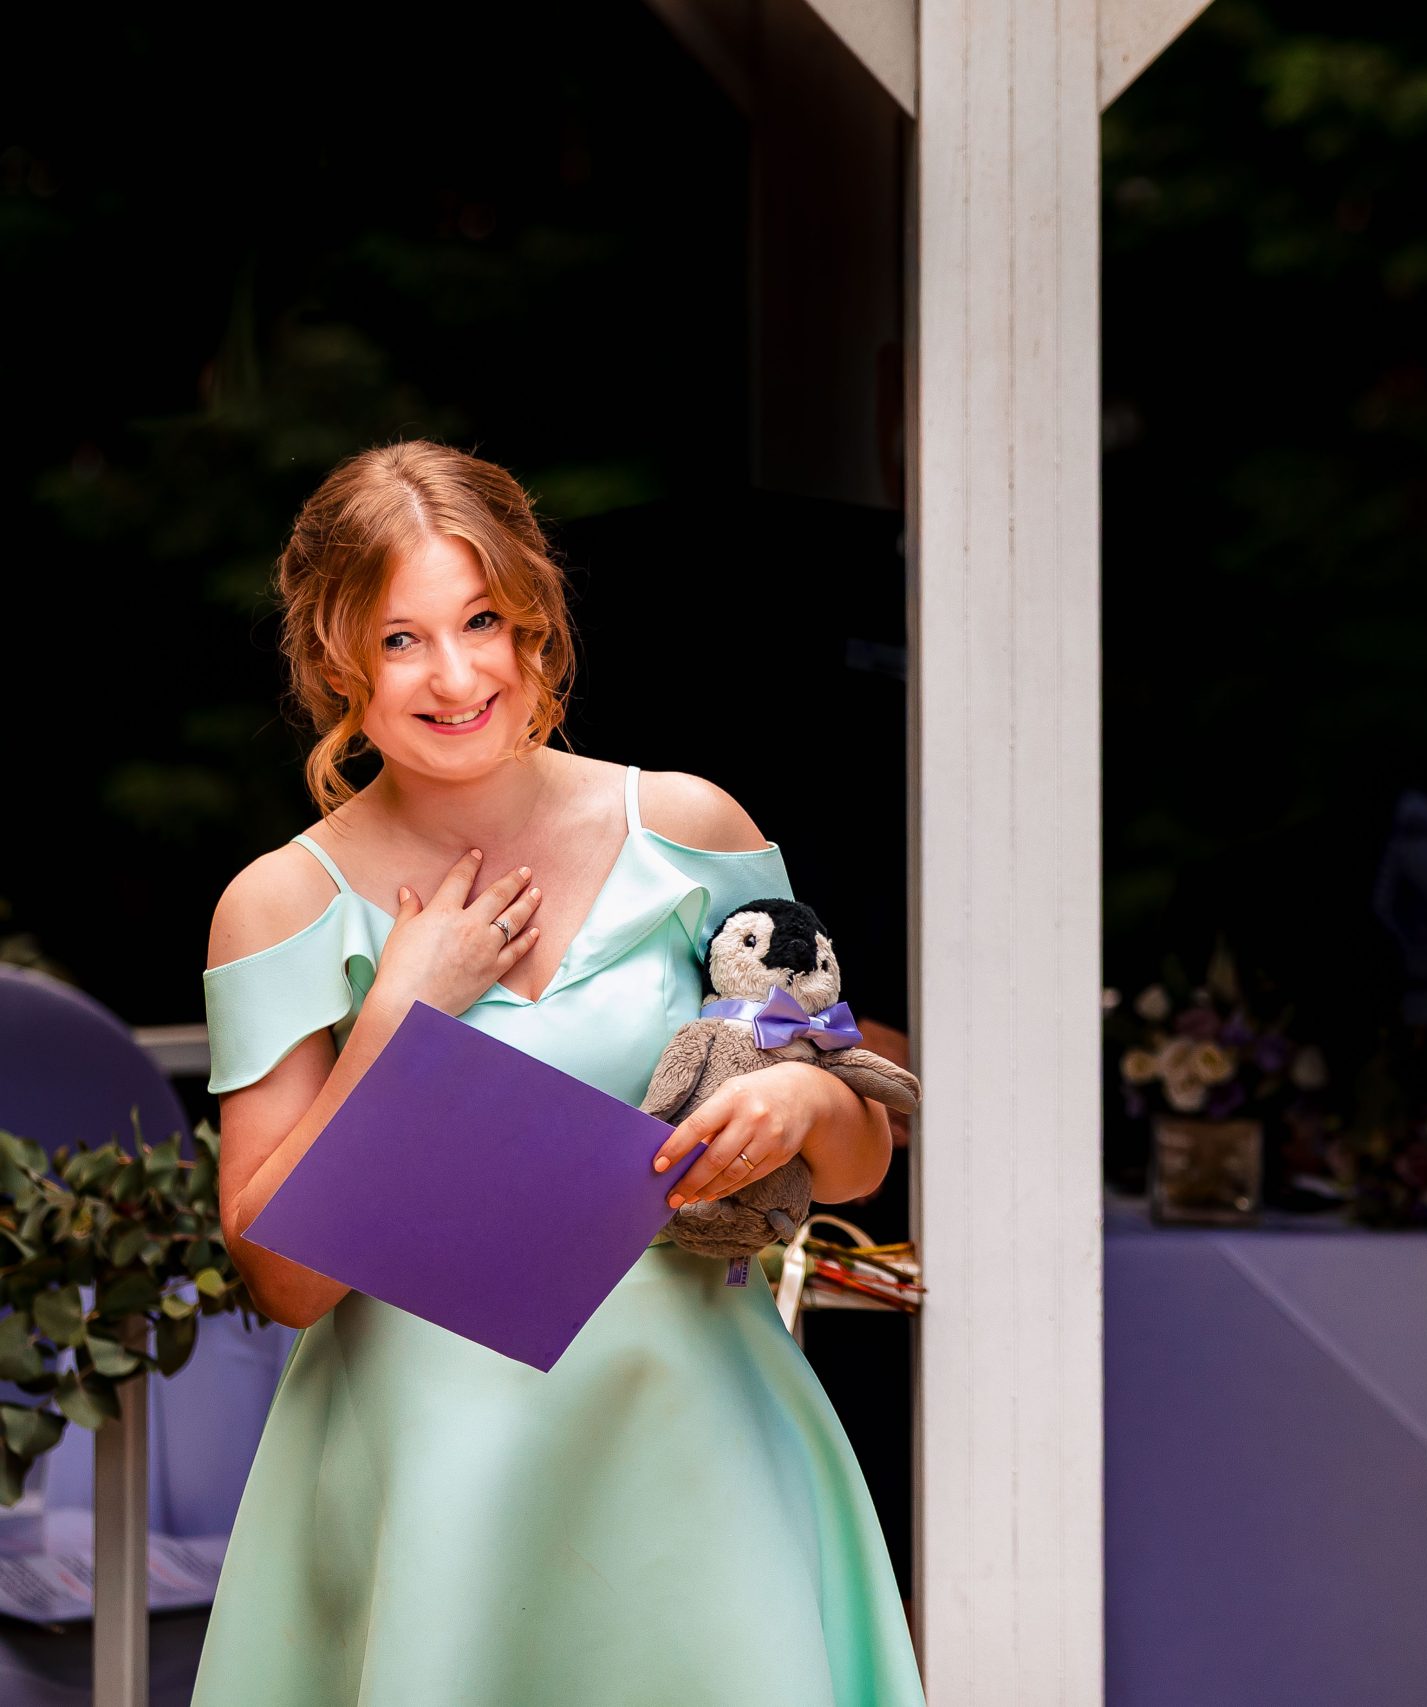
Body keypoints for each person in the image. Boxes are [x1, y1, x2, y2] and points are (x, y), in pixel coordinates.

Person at [192, 442, 924, 1706]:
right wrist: (399, 1021)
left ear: (537, 623)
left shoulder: (691, 831)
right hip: (432, 1484)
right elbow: (281, 1282)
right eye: (402, 637)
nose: (458, 673)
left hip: (700, 1451)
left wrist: (807, 1098)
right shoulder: (277, 906)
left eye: (483, 621)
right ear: (335, 659)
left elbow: (858, 1156)